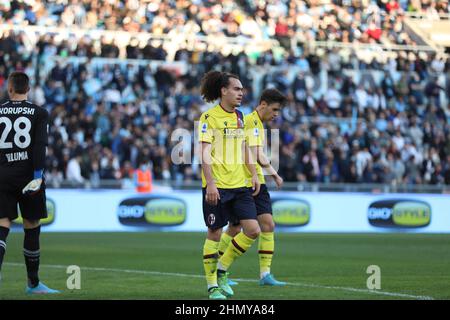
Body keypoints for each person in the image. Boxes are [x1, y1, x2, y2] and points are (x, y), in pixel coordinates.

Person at [198, 71, 261, 300]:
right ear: (223, 91)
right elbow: (204, 154)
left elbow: (245, 147)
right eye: (236, 89)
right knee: (214, 233)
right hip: (217, 186)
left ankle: (222, 269)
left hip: (240, 184)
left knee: (253, 230)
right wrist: (211, 185)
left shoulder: (240, 117)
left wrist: (253, 174)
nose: (241, 93)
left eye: (242, 89)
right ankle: (212, 286)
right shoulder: (209, 118)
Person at [218, 88, 287, 286]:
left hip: (256, 181)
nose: (275, 114)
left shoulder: (256, 123)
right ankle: (219, 269)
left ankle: (265, 274)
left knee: (267, 225)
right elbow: (257, 153)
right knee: (236, 227)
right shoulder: (250, 122)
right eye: (274, 110)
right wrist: (274, 173)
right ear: (263, 104)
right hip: (246, 182)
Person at [0, 72, 59, 294]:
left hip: (2, 176)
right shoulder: (39, 113)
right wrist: (37, 176)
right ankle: (33, 284)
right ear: (29, 89)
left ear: (10, 89)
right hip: (28, 177)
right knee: (31, 226)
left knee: (2, 224)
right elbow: (39, 146)